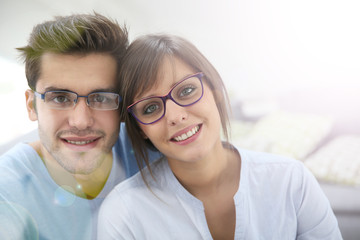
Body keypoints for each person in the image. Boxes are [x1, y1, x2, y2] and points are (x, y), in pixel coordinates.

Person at [97, 34, 343, 240]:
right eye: (150, 108)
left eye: (186, 90)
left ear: (214, 90)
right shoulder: (123, 214)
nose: (175, 116)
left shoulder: (292, 182)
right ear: (140, 128)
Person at [0, 12, 159, 240]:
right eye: (60, 98)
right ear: (31, 105)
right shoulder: (6, 193)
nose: (81, 121)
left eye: (102, 98)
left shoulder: (153, 150)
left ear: (122, 106)